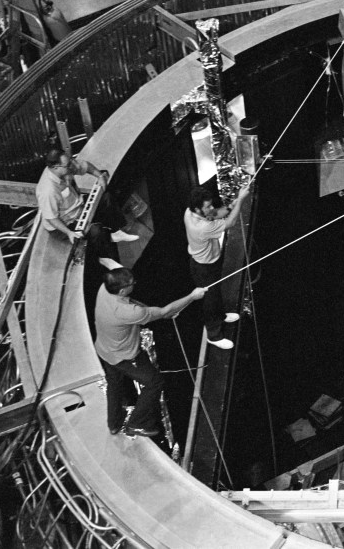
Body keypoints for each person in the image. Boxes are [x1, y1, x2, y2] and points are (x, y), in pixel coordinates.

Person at [94, 268, 204, 437]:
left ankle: (114, 424)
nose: (134, 284)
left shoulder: (105, 289)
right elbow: (165, 311)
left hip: (104, 350)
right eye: (132, 284)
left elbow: (133, 303)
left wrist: (152, 312)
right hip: (124, 356)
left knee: (115, 385)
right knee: (154, 382)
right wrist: (192, 296)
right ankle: (137, 423)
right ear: (122, 289)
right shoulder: (128, 313)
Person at [35, 148, 138, 267]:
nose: (72, 166)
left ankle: (116, 232)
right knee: (95, 231)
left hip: (77, 207)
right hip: (63, 223)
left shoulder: (66, 168)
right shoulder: (47, 190)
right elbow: (51, 218)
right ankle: (104, 258)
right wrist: (69, 233)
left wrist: (99, 176)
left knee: (106, 199)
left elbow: (84, 166)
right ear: (56, 167)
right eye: (67, 165)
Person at [183, 183, 252, 350]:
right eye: (207, 206)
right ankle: (213, 335)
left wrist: (230, 206)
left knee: (215, 294)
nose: (211, 208)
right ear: (198, 209)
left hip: (210, 261)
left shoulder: (190, 211)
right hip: (204, 268)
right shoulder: (202, 227)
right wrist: (241, 200)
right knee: (210, 301)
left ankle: (221, 316)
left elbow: (214, 214)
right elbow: (230, 223)